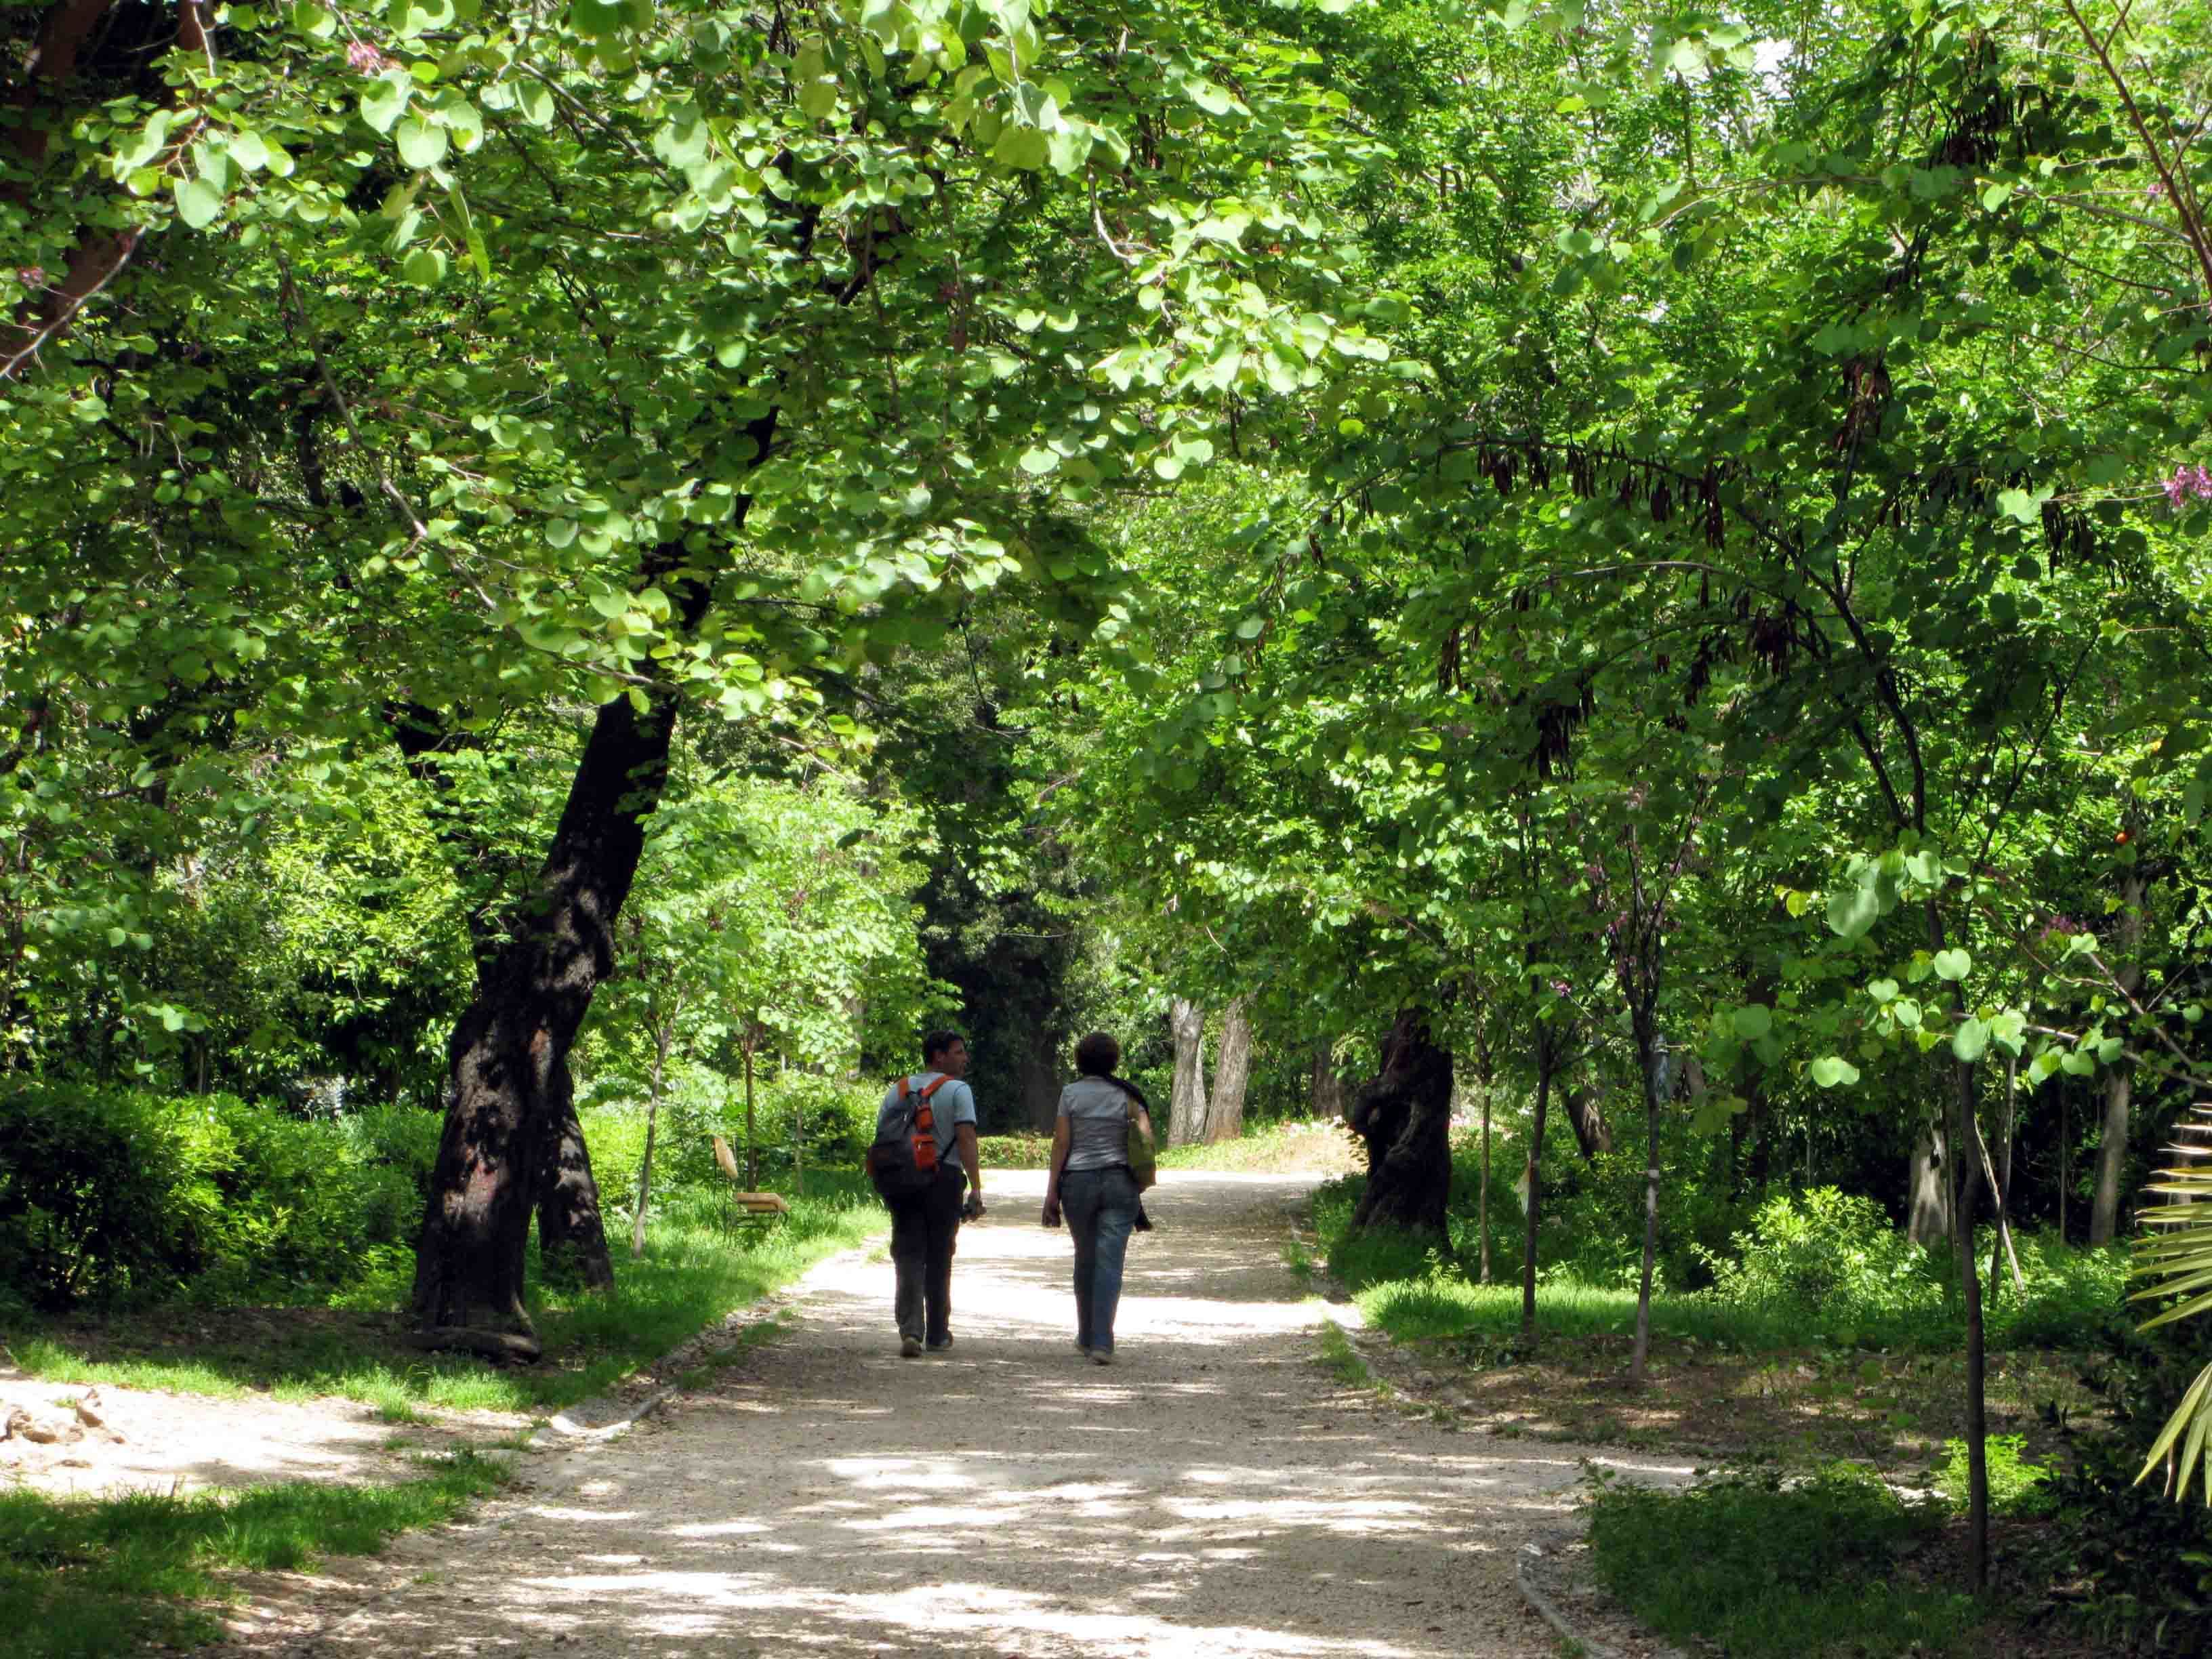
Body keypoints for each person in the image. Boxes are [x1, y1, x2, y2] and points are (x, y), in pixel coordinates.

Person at [1041, 1031, 1152, 1366]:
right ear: (1114, 1061)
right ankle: (1103, 1342)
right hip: (1120, 1182)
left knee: (1085, 1258)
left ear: (1079, 1060)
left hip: (1078, 1184)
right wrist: (1140, 1180)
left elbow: (1061, 1143)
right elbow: (1146, 1138)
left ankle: (1087, 1336)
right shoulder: (1127, 1095)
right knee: (1110, 1262)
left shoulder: (1070, 1094)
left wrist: (1051, 1192)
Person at [872, 1030, 985, 1358]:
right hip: (944, 1179)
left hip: (903, 1179)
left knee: (907, 1253)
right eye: (959, 1052)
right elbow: (966, 1137)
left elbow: (883, 1137)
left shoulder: (898, 1090)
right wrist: (976, 1186)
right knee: (939, 1255)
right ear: (939, 1057)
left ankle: (910, 1330)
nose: (964, 1059)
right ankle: (937, 1333)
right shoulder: (959, 1090)